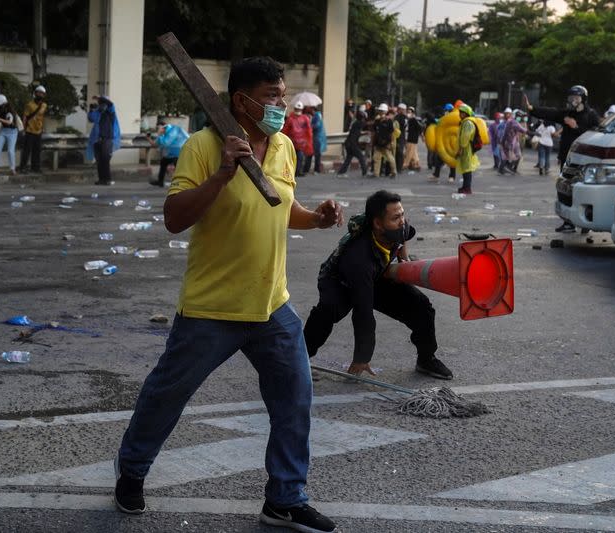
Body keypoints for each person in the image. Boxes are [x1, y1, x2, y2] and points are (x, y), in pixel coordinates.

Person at [114, 56, 342, 533]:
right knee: (165, 395)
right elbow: (175, 218)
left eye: (282, 95)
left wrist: (316, 218)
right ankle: (132, 471)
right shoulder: (203, 145)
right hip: (211, 307)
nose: (280, 105)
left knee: (295, 398)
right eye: (271, 97)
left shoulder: (282, 145)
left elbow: (281, 206)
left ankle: (285, 497)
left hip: (271, 305)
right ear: (241, 101)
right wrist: (221, 174)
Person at [304, 190, 452, 380]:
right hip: (339, 281)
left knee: (422, 307)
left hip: (377, 275)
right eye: (396, 217)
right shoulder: (359, 258)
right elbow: (363, 313)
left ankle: (426, 358)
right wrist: (362, 357)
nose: (402, 221)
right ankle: (298, 360)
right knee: (328, 311)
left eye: (402, 215)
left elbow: (406, 234)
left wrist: (404, 259)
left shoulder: (398, 227)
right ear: (377, 224)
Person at [524, 86, 600, 232]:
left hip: (585, 161)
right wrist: (532, 108)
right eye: (571, 98)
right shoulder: (567, 114)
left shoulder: (591, 115)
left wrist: (576, 127)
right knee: (564, 191)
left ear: (583, 99)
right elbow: (551, 113)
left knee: (583, 191)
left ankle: (586, 222)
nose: (573, 101)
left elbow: (596, 135)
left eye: (576, 98)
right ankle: (568, 222)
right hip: (567, 159)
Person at [86, 95, 121, 186]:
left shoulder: (110, 112)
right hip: (97, 139)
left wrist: (99, 98)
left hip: (107, 139)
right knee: (99, 160)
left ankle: (107, 179)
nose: (101, 105)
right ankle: (101, 179)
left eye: (102, 103)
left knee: (105, 159)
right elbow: (90, 118)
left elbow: (110, 104)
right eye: (100, 104)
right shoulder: (98, 112)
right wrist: (91, 109)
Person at [148, 120, 190, 187]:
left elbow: (166, 143)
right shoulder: (165, 133)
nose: (158, 130)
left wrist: (160, 134)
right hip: (172, 153)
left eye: (158, 128)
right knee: (163, 162)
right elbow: (156, 144)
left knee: (178, 167)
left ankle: (184, 183)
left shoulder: (173, 130)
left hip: (181, 151)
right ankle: (160, 181)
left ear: (163, 127)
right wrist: (148, 139)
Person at [281, 101, 313, 177]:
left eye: (299, 109)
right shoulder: (291, 119)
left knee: (299, 158)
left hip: (299, 143)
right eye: (297, 109)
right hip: (293, 142)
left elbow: (308, 131)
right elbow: (285, 130)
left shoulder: (303, 118)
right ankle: (294, 171)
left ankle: (297, 171)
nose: (298, 111)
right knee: (293, 158)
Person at [20, 85, 48, 173]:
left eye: (42, 94)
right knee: (27, 150)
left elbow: (43, 117)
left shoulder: (44, 105)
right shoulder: (29, 105)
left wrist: (43, 127)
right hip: (29, 130)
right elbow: (25, 117)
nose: (40, 95)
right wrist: (23, 129)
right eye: (39, 93)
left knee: (37, 150)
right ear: (35, 94)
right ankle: (23, 167)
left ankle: (35, 167)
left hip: (38, 130)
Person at [428, 103, 457, 183]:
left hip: (452, 142)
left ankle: (452, 176)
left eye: (447, 111)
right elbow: (439, 122)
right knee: (439, 158)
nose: (446, 112)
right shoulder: (445, 118)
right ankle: (436, 175)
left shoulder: (454, 119)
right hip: (444, 141)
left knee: (451, 159)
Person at [456, 104, 480, 194]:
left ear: (466, 113)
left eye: (461, 113)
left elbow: (465, 137)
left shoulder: (468, 123)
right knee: (465, 168)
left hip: (466, 148)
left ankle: (467, 188)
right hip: (465, 148)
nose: (460, 114)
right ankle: (465, 187)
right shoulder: (465, 122)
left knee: (467, 168)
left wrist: (461, 148)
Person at [0, 95, 18, 174]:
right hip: (3, 131)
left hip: (12, 132)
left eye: (0, 105)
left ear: (4, 104)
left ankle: (12, 168)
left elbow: (9, 122)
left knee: (10, 150)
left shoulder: (10, 111)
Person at [337, 110, 368, 176]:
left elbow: (357, 133)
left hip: (348, 143)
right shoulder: (360, 123)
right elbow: (367, 124)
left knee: (348, 159)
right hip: (352, 144)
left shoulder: (356, 123)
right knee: (361, 157)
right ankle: (365, 172)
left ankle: (341, 172)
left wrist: (365, 133)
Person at [369, 103, 396, 178]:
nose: (381, 112)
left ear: (385, 112)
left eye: (382, 111)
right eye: (380, 111)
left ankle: (394, 172)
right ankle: (376, 173)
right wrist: (372, 142)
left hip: (386, 143)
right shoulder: (377, 121)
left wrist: (391, 143)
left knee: (390, 158)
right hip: (378, 143)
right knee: (376, 158)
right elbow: (374, 132)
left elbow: (391, 133)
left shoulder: (389, 121)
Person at [501, 107, 527, 174]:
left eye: (509, 114)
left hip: (516, 141)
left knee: (517, 156)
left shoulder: (517, 122)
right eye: (507, 114)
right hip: (509, 142)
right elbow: (523, 130)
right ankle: (505, 168)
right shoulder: (510, 122)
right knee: (507, 156)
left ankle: (511, 168)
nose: (508, 115)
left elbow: (522, 130)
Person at [305, 105, 326, 174]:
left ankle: (316, 169)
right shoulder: (317, 115)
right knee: (312, 153)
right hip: (316, 137)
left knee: (315, 154)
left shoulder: (317, 115)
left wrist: (310, 124)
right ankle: (309, 169)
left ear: (312, 109)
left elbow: (316, 125)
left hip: (317, 137)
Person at [402, 106, 423, 171]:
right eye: (407, 112)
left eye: (409, 112)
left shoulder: (413, 120)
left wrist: (422, 136)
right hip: (411, 138)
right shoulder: (410, 120)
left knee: (409, 152)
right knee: (413, 152)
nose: (408, 113)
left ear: (413, 113)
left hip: (412, 138)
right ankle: (417, 164)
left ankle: (405, 164)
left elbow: (420, 128)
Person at [393, 103, 408, 173]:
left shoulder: (403, 117)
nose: (398, 110)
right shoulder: (397, 116)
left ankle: (399, 167)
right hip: (396, 136)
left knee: (399, 152)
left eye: (400, 109)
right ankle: (396, 166)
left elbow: (403, 126)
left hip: (400, 137)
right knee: (396, 152)